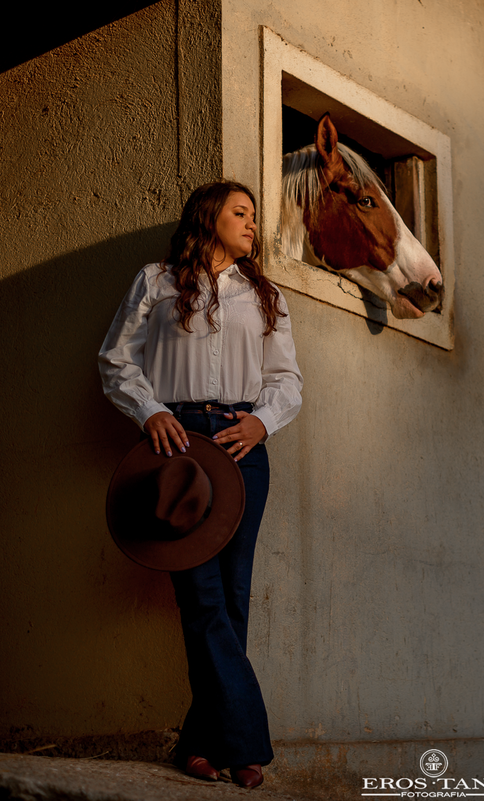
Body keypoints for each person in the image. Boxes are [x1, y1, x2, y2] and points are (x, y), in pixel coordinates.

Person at [98, 180, 303, 787]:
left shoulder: (265, 295)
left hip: (243, 446)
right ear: (208, 216)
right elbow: (115, 358)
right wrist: (150, 411)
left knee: (233, 596)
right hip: (178, 446)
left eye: (254, 216)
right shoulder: (156, 282)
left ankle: (200, 743)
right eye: (240, 212)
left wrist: (262, 425)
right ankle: (246, 745)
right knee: (201, 598)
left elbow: (287, 380)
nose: (251, 223)